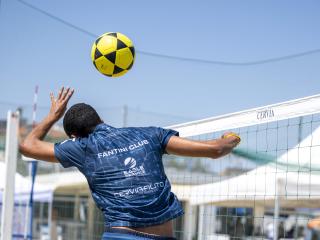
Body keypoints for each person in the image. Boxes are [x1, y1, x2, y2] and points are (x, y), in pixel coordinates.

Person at [20, 87, 241, 240]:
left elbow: (28, 145)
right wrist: (229, 140)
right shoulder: (150, 134)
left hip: (119, 235)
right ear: (102, 121)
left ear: (75, 135)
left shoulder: (81, 148)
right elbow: (215, 150)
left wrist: (53, 115)